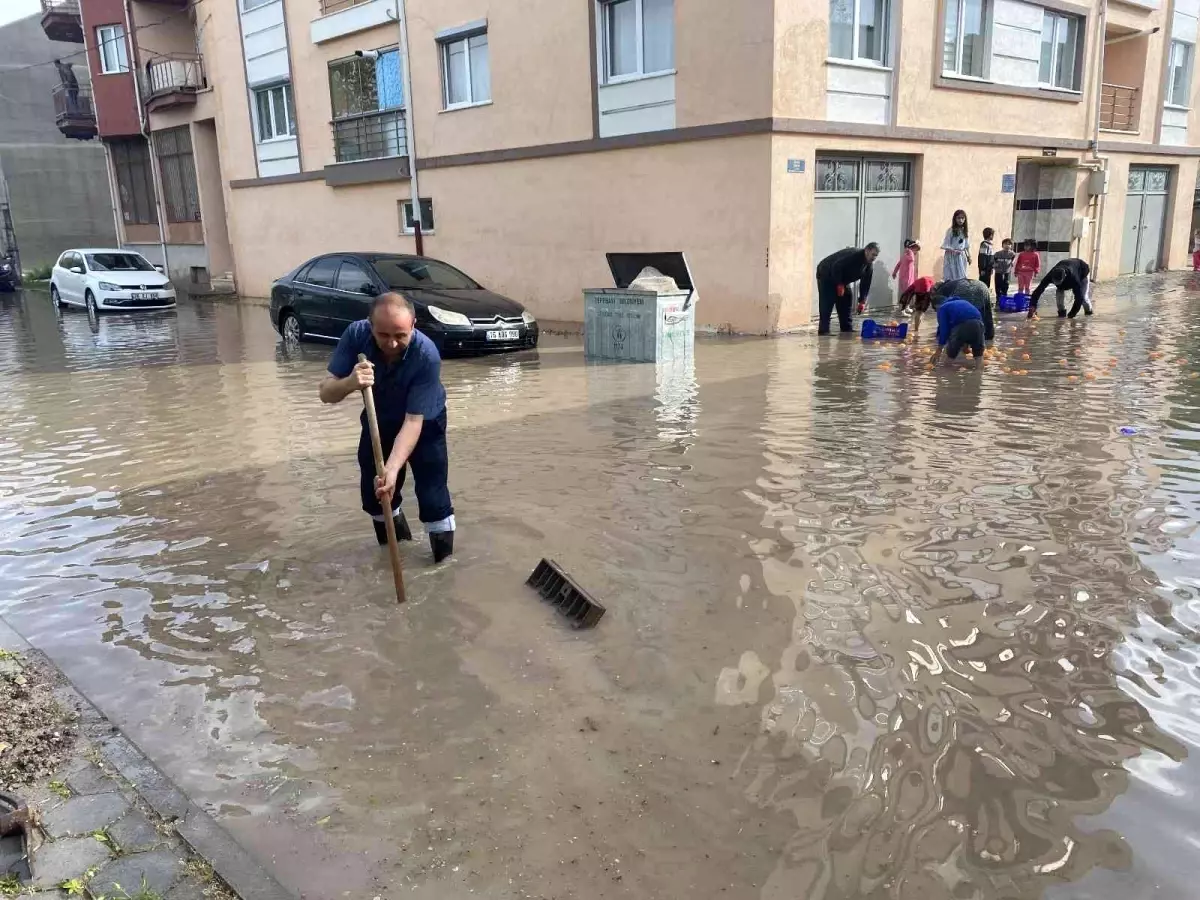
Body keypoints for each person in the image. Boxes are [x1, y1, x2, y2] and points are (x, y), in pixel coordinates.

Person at [319, 293, 455, 562]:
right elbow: (325, 393)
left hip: (424, 422)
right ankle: (397, 554)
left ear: (413, 325)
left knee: (432, 495)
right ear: (369, 325)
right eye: (383, 335)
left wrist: (392, 469)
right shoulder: (355, 336)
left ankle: (442, 567)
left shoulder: (426, 355)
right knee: (376, 495)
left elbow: (413, 422)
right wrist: (350, 383)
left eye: (401, 335)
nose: (392, 343)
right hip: (378, 420)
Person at [815, 243, 878, 335]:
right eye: (873, 254)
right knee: (828, 300)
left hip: (841, 278)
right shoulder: (854, 255)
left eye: (876, 256)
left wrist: (862, 301)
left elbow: (865, 283)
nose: (874, 258)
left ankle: (846, 327)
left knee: (846, 298)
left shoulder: (869, 266)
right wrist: (839, 284)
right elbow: (837, 266)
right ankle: (823, 330)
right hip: (826, 273)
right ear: (867, 250)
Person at [932, 277, 994, 348]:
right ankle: (988, 340)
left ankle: (965, 346)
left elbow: (943, 320)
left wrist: (939, 338)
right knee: (982, 315)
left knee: (963, 319)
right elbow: (987, 315)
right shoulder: (951, 284)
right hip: (983, 287)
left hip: (964, 289)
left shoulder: (940, 292)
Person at [931, 298, 985, 370]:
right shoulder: (963, 302)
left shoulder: (942, 308)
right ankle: (978, 376)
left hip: (962, 326)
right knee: (979, 356)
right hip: (979, 324)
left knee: (950, 355)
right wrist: (966, 345)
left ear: (936, 306)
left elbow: (944, 330)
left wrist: (939, 350)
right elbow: (974, 323)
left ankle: (944, 375)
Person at [941, 210, 970, 281]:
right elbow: (945, 244)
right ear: (955, 219)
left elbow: (966, 246)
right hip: (952, 256)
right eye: (958, 218)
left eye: (962, 218)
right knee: (952, 276)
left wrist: (969, 256)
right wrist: (954, 250)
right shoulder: (950, 230)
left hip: (961, 256)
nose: (960, 220)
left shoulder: (964, 231)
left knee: (962, 276)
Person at [892, 239, 919, 315]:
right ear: (912, 249)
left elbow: (898, 265)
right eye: (916, 250)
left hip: (909, 279)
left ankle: (906, 307)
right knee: (906, 295)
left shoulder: (905, 256)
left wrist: (894, 273)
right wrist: (910, 251)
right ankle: (902, 310)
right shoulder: (909, 256)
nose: (916, 252)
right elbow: (912, 259)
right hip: (906, 279)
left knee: (909, 294)